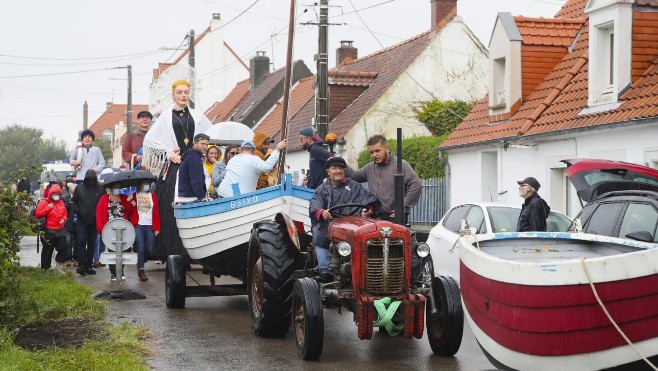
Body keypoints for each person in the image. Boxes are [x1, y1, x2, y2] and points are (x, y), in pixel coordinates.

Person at [141, 79, 212, 259]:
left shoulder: (198, 116)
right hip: (176, 167)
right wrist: (167, 152)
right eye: (179, 92)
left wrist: (203, 151)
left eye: (186, 92)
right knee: (173, 209)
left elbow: (211, 134)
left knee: (196, 204)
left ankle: (194, 252)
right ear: (173, 94)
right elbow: (149, 139)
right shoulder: (165, 116)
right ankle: (173, 254)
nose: (183, 95)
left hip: (194, 165)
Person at [309, 157, 379, 281]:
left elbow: (368, 200)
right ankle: (325, 269)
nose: (338, 171)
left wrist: (368, 209)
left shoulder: (354, 187)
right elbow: (315, 206)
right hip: (328, 225)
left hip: (352, 225)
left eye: (341, 168)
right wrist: (322, 212)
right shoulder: (321, 190)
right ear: (328, 171)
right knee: (319, 237)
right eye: (334, 168)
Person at [350, 135, 422, 224]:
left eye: (377, 151)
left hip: (394, 218)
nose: (374, 155)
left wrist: (403, 207)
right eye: (371, 152)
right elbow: (352, 176)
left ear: (386, 148)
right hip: (374, 218)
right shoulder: (370, 168)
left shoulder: (401, 165)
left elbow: (416, 185)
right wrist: (335, 161)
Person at [216, 139, 287, 198]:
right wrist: (278, 149)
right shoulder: (254, 159)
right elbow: (267, 167)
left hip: (222, 193)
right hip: (238, 198)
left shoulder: (232, 159)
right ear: (254, 151)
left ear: (241, 150)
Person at [96, 182, 135, 281]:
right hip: (110, 229)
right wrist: (101, 229)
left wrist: (129, 200)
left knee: (125, 249)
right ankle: (114, 273)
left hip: (123, 228)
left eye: (119, 187)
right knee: (112, 251)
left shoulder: (123, 197)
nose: (117, 189)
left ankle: (120, 271)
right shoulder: (104, 198)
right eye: (116, 187)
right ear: (111, 188)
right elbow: (99, 213)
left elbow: (129, 211)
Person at [71, 169, 105, 276]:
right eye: (88, 179)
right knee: (81, 242)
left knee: (92, 243)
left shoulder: (100, 188)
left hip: (94, 222)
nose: (90, 181)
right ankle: (82, 265)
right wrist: (79, 211)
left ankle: (89, 266)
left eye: (92, 179)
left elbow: (104, 202)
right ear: (85, 178)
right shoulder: (79, 188)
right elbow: (73, 203)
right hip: (82, 221)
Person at [131, 179, 160, 281]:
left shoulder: (153, 196)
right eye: (144, 184)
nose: (146, 185)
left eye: (148, 184)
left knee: (149, 248)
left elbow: (156, 212)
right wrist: (131, 201)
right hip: (138, 225)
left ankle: (141, 261)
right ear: (140, 185)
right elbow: (129, 210)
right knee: (141, 248)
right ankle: (141, 270)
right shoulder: (135, 195)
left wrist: (157, 228)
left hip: (150, 225)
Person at [34, 184, 69, 271]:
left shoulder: (61, 202)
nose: (57, 196)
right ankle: (46, 268)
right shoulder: (44, 202)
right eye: (55, 194)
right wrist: (48, 208)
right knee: (48, 250)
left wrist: (63, 219)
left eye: (58, 194)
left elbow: (65, 213)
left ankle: (58, 265)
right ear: (51, 193)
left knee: (64, 247)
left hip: (60, 229)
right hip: (48, 230)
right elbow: (37, 214)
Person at [177, 133, 211, 202]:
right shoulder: (194, 157)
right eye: (202, 144)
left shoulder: (190, 155)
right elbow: (196, 179)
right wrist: (201, 197)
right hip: (191, 197)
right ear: (195, 143)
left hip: (185, 196)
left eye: (207, 145)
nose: (205, 147)